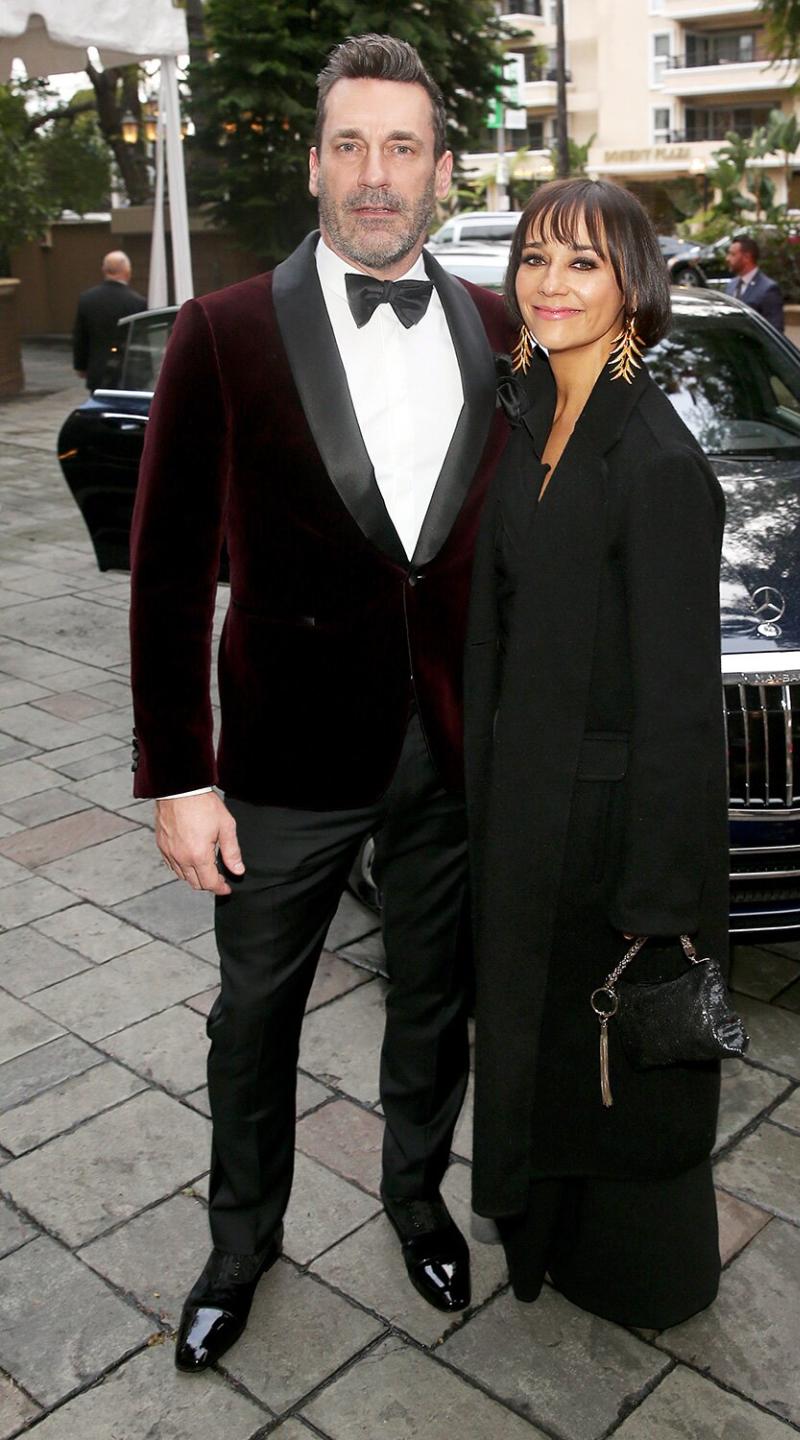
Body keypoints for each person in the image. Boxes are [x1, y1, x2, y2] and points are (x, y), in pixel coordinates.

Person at [129, 33, 512, 1373]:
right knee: (254, 1020)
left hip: (455, 746)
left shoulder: (504, 323)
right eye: (350, 144)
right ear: (313, 163)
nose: (375, 173)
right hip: (284, 759)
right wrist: (181, 776)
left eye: (403, 146)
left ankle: (417, 1198)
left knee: (434, 1003)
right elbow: (171, 575)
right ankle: (242, 1245)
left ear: (443, 169)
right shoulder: (220, 331)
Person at [464, 178, 729, 1328]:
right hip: (527, 804)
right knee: (537, 1045)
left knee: (607, 1068)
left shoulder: (661, 462)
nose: (552, 283)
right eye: (535, 258)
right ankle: (548, 1243)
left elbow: (681, 705)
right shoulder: (528, 413)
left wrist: (660, 894)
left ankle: (635, 1272)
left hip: (612, 827)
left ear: (634, 285)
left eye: (582, 262)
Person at [72, 251, 146, 389]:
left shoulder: (87, 299)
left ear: (104, 270)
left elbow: (80, 336)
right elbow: (141, 340)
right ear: (127, 271)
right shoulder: (137, 302)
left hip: (98, 371)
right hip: (127, 373)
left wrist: (80, 366)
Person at [725, 233, 784, 331]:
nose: (727, 258)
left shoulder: (768, 289)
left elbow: (775, 330)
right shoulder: (732, 285)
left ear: (747, 257)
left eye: (733, 254)